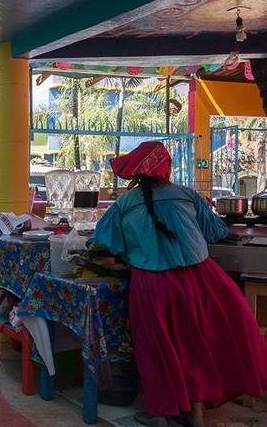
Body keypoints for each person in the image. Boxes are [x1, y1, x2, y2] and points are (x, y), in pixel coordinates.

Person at [91, 141, 267, 427]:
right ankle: (196, 415)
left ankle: (160, 413)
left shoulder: (123, 203)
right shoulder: (186, 194)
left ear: (136, 171)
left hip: (151, 282)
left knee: (155, 347)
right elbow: (216, 230)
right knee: (195, 344)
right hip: (200, 277)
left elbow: (105, 241)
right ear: (166, 169)